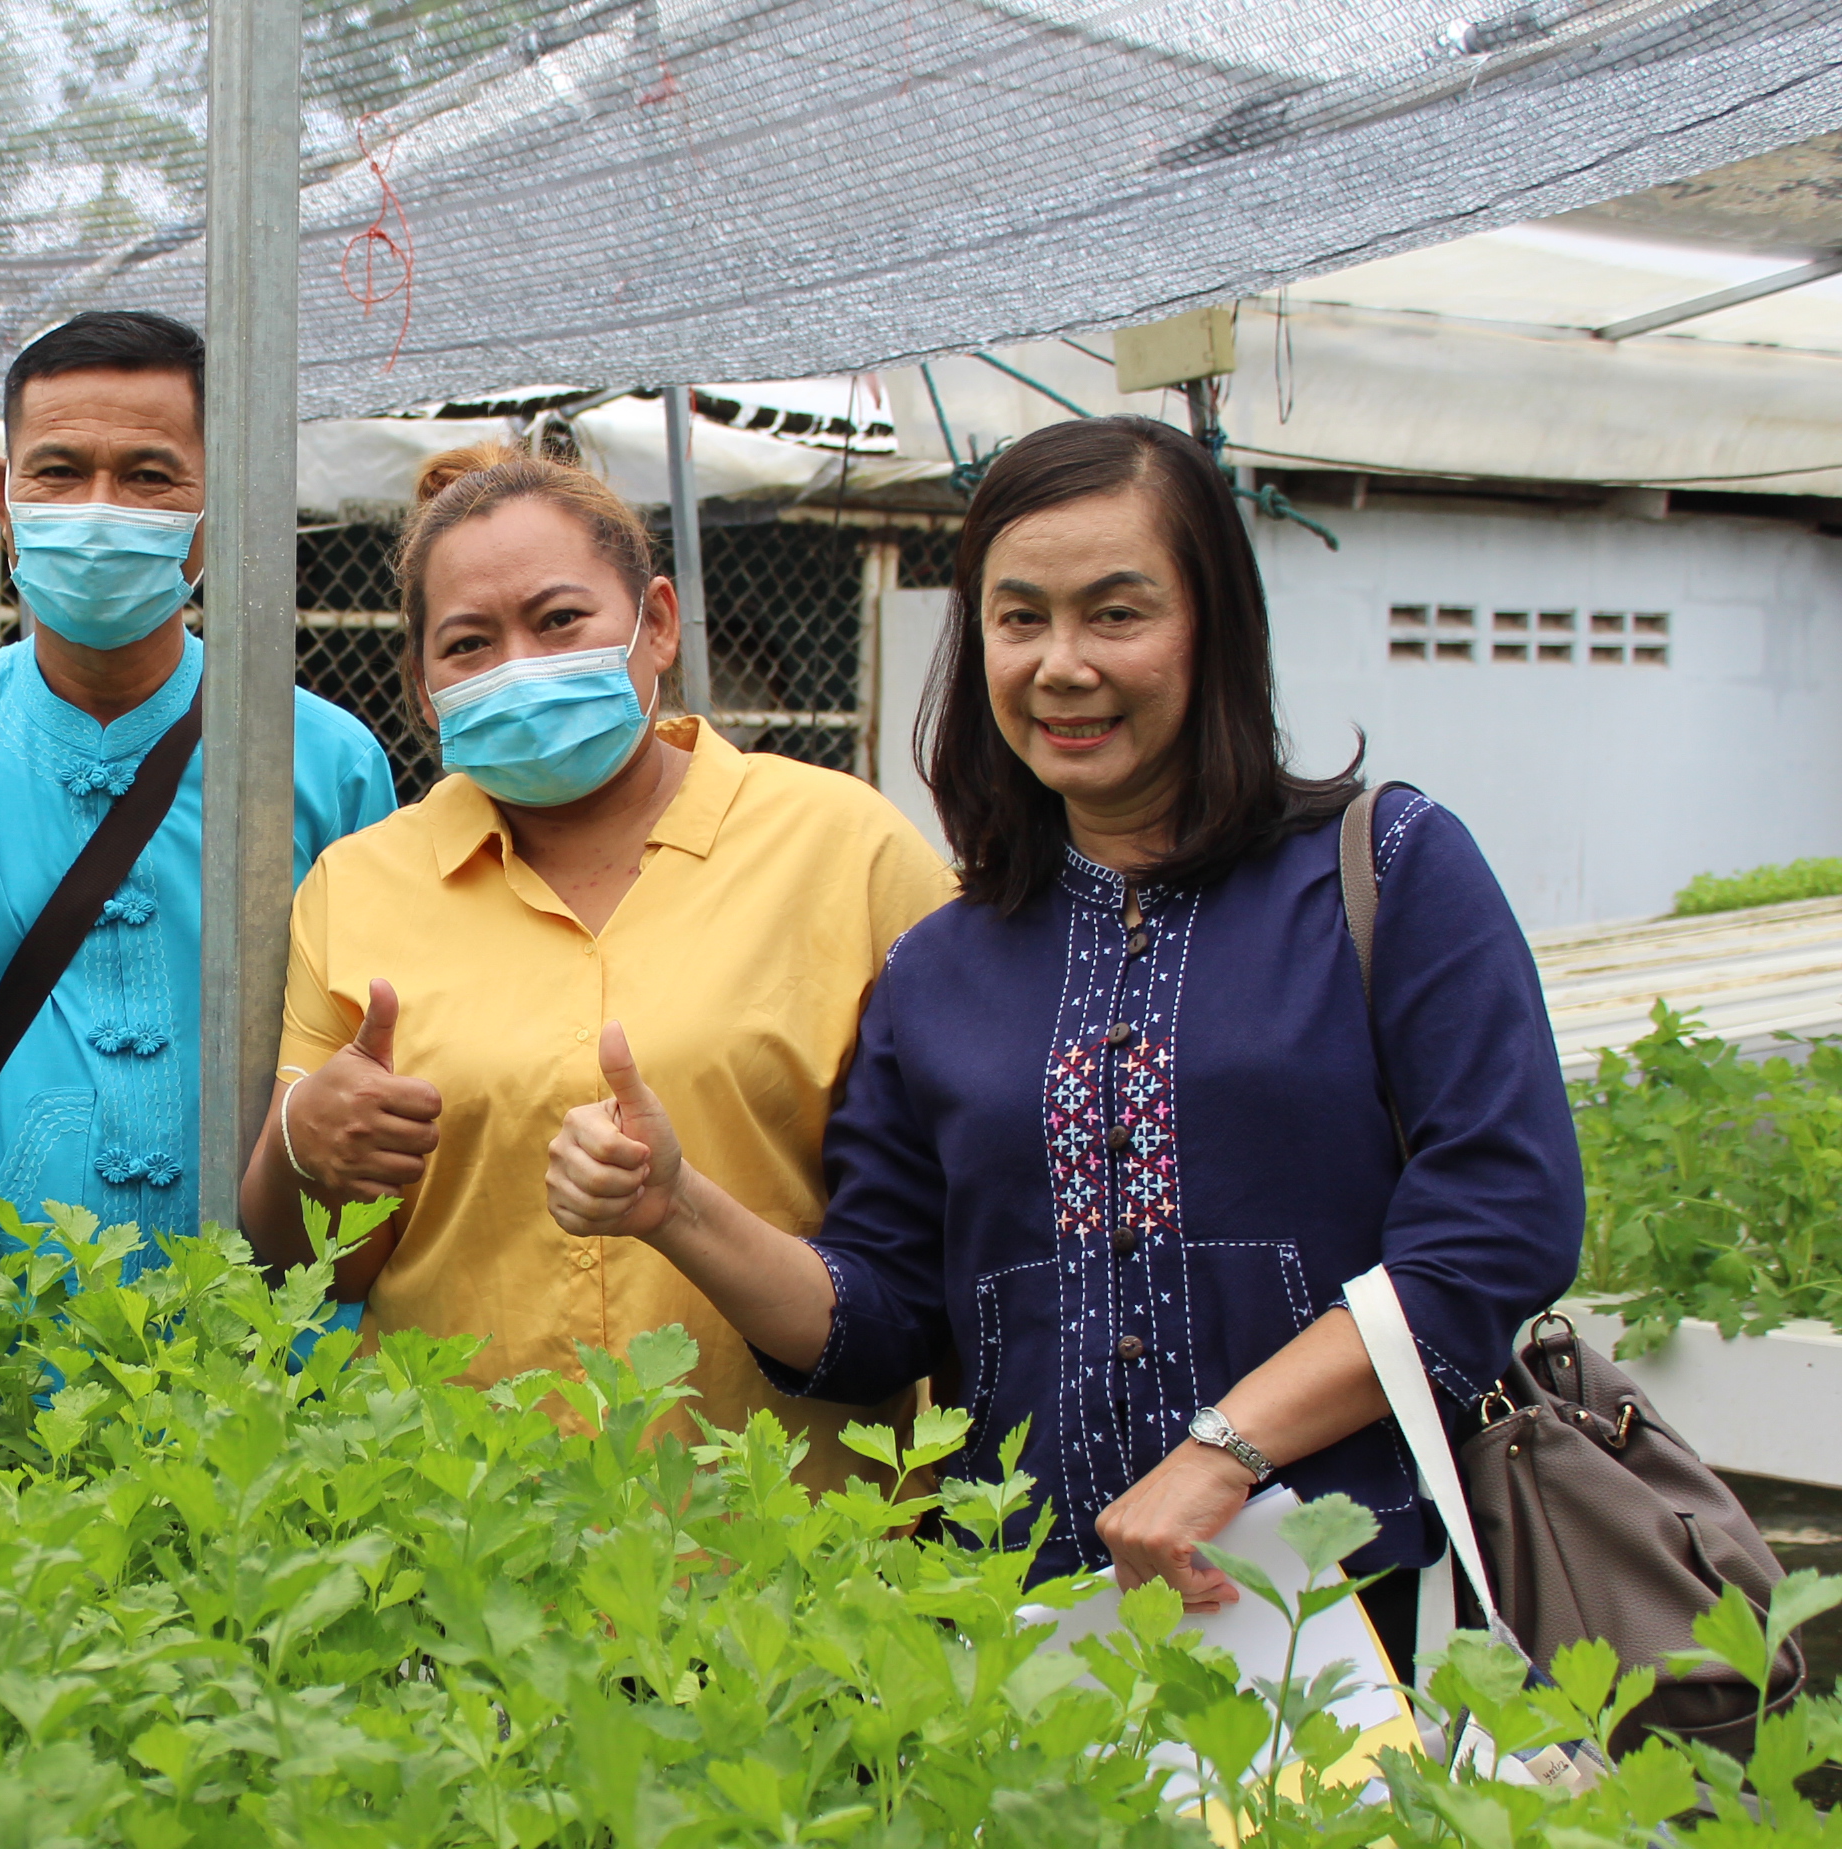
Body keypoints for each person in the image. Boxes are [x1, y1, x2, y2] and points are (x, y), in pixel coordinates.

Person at [546, 414, 1581, 1667]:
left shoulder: (1385, 870)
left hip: (1355, 1600)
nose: (1062, 664)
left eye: (1118, 613)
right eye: (1020, 617)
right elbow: (885, 1319)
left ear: (1214, 626)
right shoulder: (940, 967)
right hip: (1036, 1633)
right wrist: (677, 1208)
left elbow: (1498, 1222)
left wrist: (1223, 1453)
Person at [243, 446, 954, 1456]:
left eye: (560, 620)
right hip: (467, 1531)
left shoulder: (846, 850)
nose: (520, 666)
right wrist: (304, 1146)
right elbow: (308, 1268)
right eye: (469, 644)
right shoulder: (359, 888)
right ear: (421, 683)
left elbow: (946, 1226)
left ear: (656, 622)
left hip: (784, 1532)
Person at [0, 310, 396, 1253]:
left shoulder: (324, 762)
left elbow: (377, 1058)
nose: (102, 507)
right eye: (58, 471)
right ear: (1, 498)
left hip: (265, 1349)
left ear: (219, 505)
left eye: (149, 475)